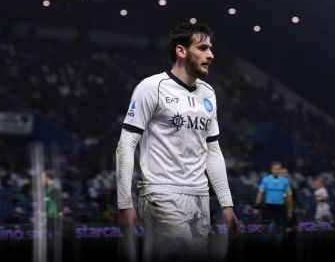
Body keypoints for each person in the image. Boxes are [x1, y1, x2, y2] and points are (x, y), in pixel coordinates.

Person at [116, 22, 239, 261]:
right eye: (203, 48)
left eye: (211, 48)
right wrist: (124, 203)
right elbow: (126, 144)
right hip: (162, 194)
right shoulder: (151, 88)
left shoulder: (208, 93)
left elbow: (212, 151)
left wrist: (227, 204)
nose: (211, 55)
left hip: (200, 197)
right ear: (181, 51)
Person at [254, 161, 292, 247]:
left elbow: (289, 196)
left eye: (278, 169)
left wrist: (289, 210)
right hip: (268, 207)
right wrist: (257, 207)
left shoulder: (285, 181)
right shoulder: (266, 179)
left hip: (280, 207)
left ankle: (279, 249)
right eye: (275, 169)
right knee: (264, 227)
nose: (277, 170)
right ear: (272, 169)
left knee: (279, 229)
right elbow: (260, 193)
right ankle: (263, 248)